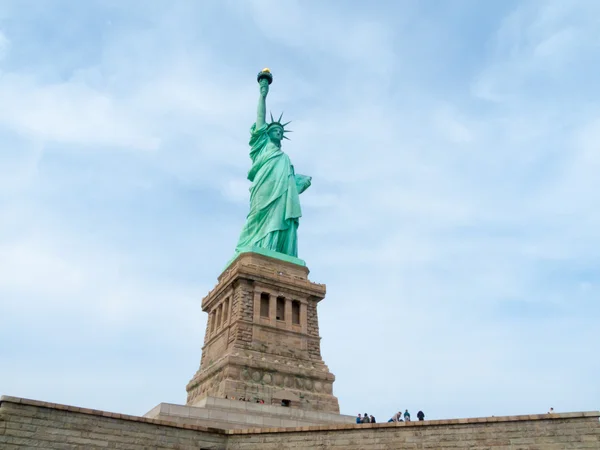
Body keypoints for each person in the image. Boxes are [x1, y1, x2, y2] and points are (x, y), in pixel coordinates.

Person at [233, 70, 312, 260]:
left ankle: (275, 250)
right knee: (256, 217)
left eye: (280, 130)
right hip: (264, 189)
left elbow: (289, 182)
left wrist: (298, 181)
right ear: (267, 134)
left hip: (281, 194)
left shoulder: (284, 158)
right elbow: (260, 118)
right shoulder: (262, 147)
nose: (277, 131)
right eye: (274, 129)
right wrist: (263, 92)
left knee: (280, 218)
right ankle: (252, 247)